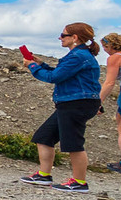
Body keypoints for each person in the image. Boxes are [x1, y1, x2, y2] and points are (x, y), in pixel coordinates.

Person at [19, 23, 103, 190]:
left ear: (75, 38)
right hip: (71, 103)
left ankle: (79, 182)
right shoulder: (80, 55)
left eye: (63, 35)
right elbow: (62, 74)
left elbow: (54, 77)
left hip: (76, 103)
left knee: (73, 143)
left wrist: (32, 66)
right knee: (44, 137)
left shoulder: (78, 56)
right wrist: (41, 64)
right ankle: (44, 175)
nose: (60, 38)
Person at [99, 33, 121, 172]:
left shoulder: (115, 58)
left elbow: (109, 83)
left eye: (105, 46)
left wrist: (98, 101)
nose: (105, 50)